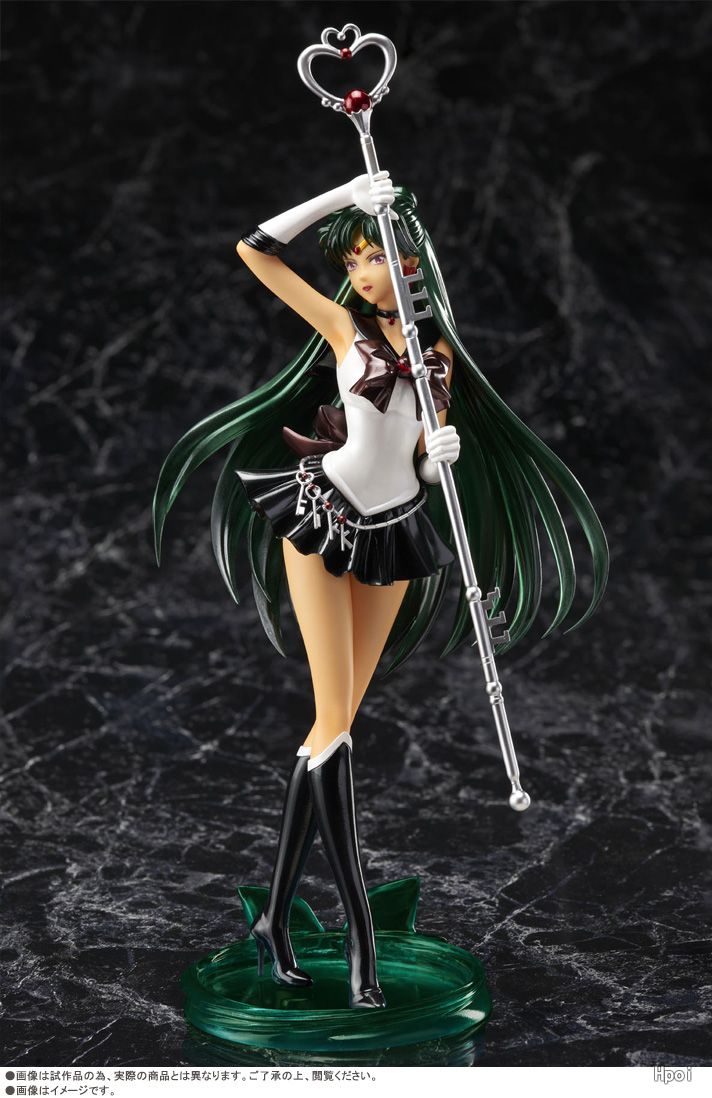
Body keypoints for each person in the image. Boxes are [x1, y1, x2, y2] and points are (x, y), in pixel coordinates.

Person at [153, 172, 608, 1010]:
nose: (368, 272)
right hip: (323, 515)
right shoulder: (344, 330)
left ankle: (276, 921)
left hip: (396, 531)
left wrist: (441, 459)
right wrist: (345, 195)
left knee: (331, 732)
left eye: (381, 254)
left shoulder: (440, 356)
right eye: (357, 261)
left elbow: (419, 462)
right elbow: (256, 251)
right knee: (334, 728)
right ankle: (361, 942)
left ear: (415, 259)